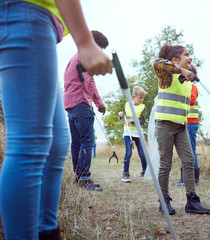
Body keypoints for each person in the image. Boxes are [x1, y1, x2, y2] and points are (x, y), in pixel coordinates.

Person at [0, 0, 112, 239]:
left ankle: (47, 231)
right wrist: (85, 42)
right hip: (26, 14)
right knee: (29, 146)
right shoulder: (78, 57)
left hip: (40, 25)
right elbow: (88, 82)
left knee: (57, 144)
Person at [153, 44, 210, 215]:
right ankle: (163, 200)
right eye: (186, 54)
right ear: (175, 60)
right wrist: (181, 69)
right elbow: (157, 63)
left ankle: (192, 201)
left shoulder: (187, 81)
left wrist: (188, 72)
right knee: (165, 163)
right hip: (164, 125)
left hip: (181, 127)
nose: (190, 57)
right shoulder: (167, 75)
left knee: (189, 160)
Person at [64, 30, 109, 192]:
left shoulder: (73, 58)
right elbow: (89, 82)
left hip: (70, 105)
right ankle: (84, 178)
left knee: (76, 143)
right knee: (87, 142)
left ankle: (79, 177)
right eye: (101, 48)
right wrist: (99, 103)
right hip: (81, 105)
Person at [173, 65, 201, 186]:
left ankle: (193, 178)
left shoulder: (192, 87)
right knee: (182, 150)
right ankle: (183, 178)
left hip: (191, 122)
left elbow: (190, 101)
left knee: (190, 150)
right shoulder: (184, 87)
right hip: (184, 121)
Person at [118, 86, 147, 182]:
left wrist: (132, 121)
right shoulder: (127, 105)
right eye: (140, 98)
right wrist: (120, 115)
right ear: (134, 96)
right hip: (128, 133)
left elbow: (142, 120)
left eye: (143, 98)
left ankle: (144, 171)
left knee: (142, 153)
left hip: (138, 134)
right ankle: (125, 174)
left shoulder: (143, 107)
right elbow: (123, 114)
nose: (142, 100)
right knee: (128, 153)